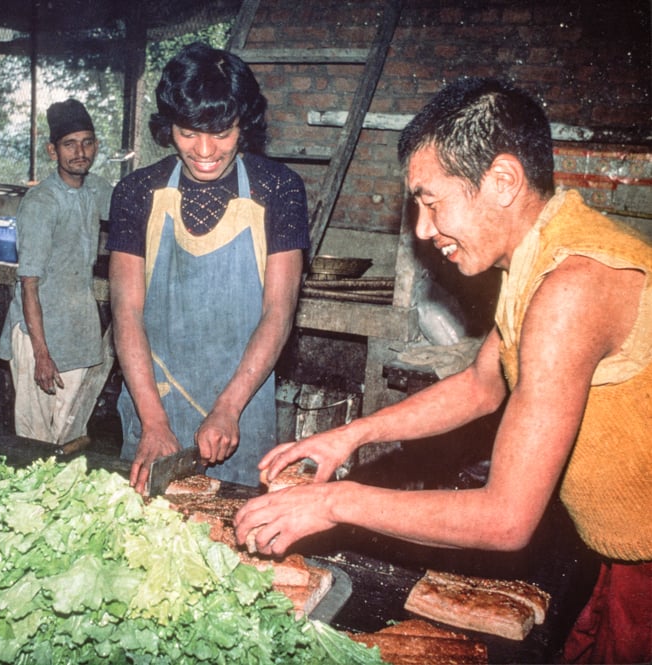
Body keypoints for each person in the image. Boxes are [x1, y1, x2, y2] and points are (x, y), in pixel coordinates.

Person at [234, 77, 651, 664]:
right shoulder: (542, 254)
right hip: (621, 553)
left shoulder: (572, 287)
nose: (424, 229)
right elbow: (483, 385)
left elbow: (506, 519)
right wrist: (350, 434)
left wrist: (332, 503)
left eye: (432, 202)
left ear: (503, 181)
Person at [108, 42, 309, 493]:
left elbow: (279, 312)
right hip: (151, 398)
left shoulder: (279, 190)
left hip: (243, 402)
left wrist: (229, 407)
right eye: (188, 132)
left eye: (222, 132)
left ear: (244, 126)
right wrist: (152, 422)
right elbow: (126, 311)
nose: (204, 150)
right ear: (169, 127)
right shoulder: (135, 192)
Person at [0, 99, 113, 444]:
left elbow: (135, 210)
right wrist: (41, 355)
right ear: (52, 150)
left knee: (71, 431)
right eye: (69, 144)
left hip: (78, 328)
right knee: (36, 438)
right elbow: (29, 285)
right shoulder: (41, 203)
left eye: (87, 142)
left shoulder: (97, 189)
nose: (81, 152)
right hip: (39, 331)